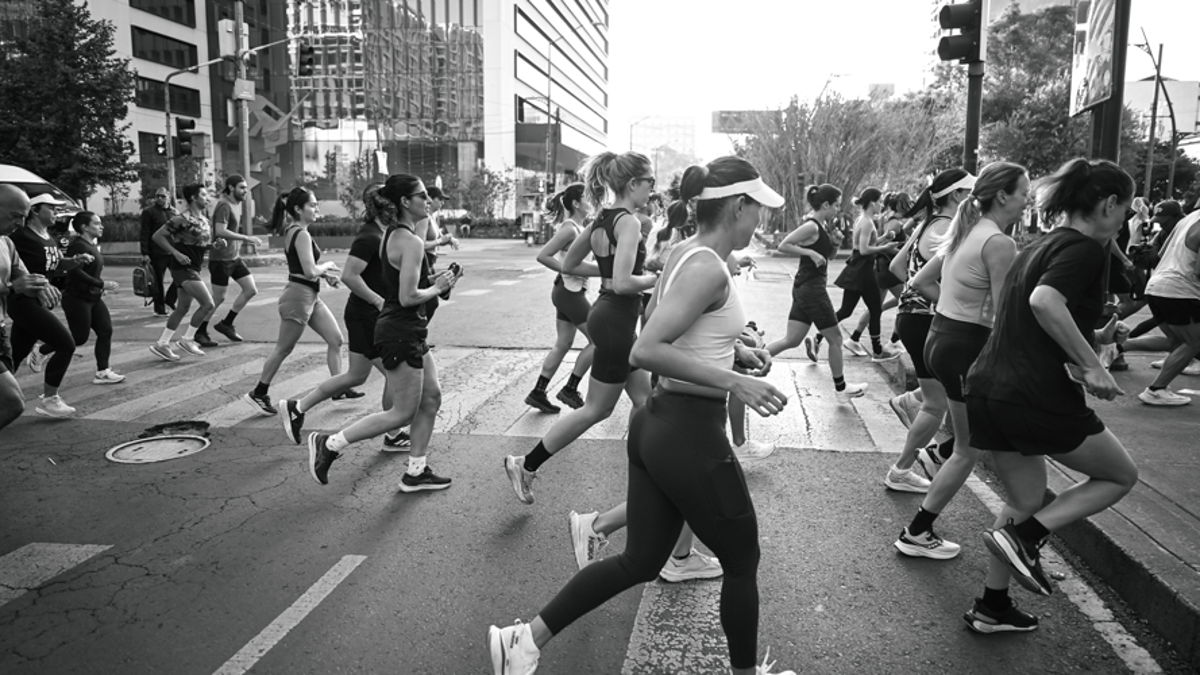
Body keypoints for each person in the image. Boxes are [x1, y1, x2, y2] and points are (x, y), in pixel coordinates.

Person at [488, 156, 795, 675]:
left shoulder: (682, 252)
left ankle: (523, 640)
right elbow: (646, 348)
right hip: (689, 431)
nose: (759, 221)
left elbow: (660, 320)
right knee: (743, 560)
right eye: (757, 210)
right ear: (738, 207)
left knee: (641, 561)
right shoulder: (705, 266)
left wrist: (731, 350)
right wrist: (734, 379)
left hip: (657, 422)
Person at [963, 158, 1138, 633]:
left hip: (989, 388)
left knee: (1024, 499)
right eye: (1125, 208)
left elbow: (1034, 313)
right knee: (1120, 475)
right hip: (1033, 393)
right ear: (1108, 204)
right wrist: (1092, 365)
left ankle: (991, 606)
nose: (1126, 219)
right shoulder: (1086, 249)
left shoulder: (1038, 245)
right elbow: (1044, 302)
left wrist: (1096, 337)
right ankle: (1029, 539)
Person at [502, 152, 659, 504]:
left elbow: (571, 263)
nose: (652, 188)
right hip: (616, 317)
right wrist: (653, 278)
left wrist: (613, 274)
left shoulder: (603, 218)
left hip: (611, 315)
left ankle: (644, 466)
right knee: (597, 409)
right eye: (650, 182)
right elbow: (621, 282)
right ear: (633, 183)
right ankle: (525, 464)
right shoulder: (629, 223)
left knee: (643, 399)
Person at [894, 161, 1025, 560]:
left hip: (942, 339)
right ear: (1003, 196)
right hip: (966, 346)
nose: (1026, 201)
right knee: (968, 449)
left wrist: (954, 310)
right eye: (1023, 193)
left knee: (967, 440)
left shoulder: (964, 230)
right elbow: (1005, 317)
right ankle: (917, 531)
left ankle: (937, 456)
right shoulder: (998, 242)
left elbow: (918, 281)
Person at [305, 174, 459, 492]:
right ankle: (329, 443)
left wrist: (436, 281)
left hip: (405, 328)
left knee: (431, 398)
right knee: (401, 413)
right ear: (405, 201)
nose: (428, 200)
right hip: (400, 331)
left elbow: (406, 283)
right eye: (422, 196)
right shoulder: (411, 242)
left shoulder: (393, 234)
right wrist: (437, 287)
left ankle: (416, 471)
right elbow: (408, 297)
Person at [278, 184, 409, 447]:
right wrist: (378, 301)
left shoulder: (384, 234)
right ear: (385, 207)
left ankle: (297, 407)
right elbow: (350, 275)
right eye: (396, 204)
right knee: (397, 375)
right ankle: (391, 434)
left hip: (363, 314)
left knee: (356, 376)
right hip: (367, 315)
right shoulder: (370, 236)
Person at [884, 169, 974, 491]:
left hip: (911, 317)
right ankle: (901, 471)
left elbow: (897, 267)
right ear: (957, 196)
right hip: (924, 319)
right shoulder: (946, 228)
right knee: (937, 404)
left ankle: (910, 401)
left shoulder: (928, 224)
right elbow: (925, 279)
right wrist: (946, 301)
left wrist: (911, 296)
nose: (974, 199)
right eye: (970, 192)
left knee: (939, 394)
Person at [243, 187, 343, 416]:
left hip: (310, 295)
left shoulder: (296, 230)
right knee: (283, 348)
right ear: (298, 209)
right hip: (299, 297)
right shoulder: (301, 233)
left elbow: (303, 268)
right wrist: (326, 266)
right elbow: (309, 270)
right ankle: (258, 392)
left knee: (336, 339)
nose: (316, 208)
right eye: (312, 205)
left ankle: (338, 387)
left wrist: (325, 276)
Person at [763, 184, 866, 402]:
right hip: (812, 290)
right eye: (836, 205)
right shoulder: (812, 226)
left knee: (791, 340)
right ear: (826, 204)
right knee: (836, 339)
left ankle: (751, 360)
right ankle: (841, 390)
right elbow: (784, 244)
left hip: (805, 288)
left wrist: (836, 244)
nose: (838, 209)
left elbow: (826, 257)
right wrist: (809, 252)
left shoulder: (823, 226)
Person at [8, 193, 81, 416]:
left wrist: (74, 262)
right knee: (66, 344)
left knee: (16, 354)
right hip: (23, 301)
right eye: (51, 208)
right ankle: (50, 399)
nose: (56, 213)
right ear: (36, 210)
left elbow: (54, 264)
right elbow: (16, 267)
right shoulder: (19, 235)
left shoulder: (48, 236)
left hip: (42, 300)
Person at [526, 182, 595, 413]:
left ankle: (538, 392)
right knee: (599, 341)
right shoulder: (570, 229)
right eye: (587, 198)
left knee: (563, 343)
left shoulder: (578, 227)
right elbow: (543, 255)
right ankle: (570, 388)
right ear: (576, 203)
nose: (591, 201)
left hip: (566, 292)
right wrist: (567, 268)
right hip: (569, 292)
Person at [1130, 207, 1200, 406]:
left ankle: (1116, 346)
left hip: (1158, 285)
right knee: (1194, 342)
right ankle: (1156, 389)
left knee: (1175, 341)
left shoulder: (1188, 219)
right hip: (1180, 289)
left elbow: (1159, 253)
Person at [829, 188, 900, 361]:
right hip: (863, 270)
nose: (881, 205)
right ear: (873, 202)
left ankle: (817, 337)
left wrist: (884, 238)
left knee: (846, 310)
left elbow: (867, 244)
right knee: (875, 310)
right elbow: (864, 249)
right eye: (880, 202)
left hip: (858, 268)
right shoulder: (867, 222)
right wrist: (885, 247)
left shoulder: (863, 219)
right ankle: (877, 351)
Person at [150, 183, 217, 362]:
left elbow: (200, 245)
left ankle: (162, 343)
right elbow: (157, 236)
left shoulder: (204, 220)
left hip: (194, 267)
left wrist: (214, 246)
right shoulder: (181, 219)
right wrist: (176, 253)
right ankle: (187, 339)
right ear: (194, 198)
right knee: (208, 304)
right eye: (203, 195)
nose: (207, 198)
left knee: (182, 308)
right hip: (182, 268)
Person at [197, 175, 262, 346]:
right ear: (231, 188)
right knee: (217, 299)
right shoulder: (224, 205)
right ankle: (199, 331)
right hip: (220, 260)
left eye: (246, 188)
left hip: (234, 258)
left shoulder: (236, 204)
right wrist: (247, 238)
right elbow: (220, 230)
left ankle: (226, 324)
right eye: (241, 187)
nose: (245, 191)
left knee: (250, 289)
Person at [0, 184, 45, 429]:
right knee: (12, 402)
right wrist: (14, 287)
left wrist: (42, 285)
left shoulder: (6, 243)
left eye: (23, 217)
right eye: (15, 216)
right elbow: (14, 284)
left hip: (1, 331)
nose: (19, 223)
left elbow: (24, 276)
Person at [62, 211, 124, 384]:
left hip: (93, 298)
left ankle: (102, 371)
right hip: (77, 298)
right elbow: (75, 272)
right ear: (84, 227)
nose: (101, 226)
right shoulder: (78, 246)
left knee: (105, 330)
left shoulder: (91, 245)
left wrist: (98, 288)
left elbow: (91, 271)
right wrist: (101, 284)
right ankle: (42, 350)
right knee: (79, 337)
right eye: (96, 223)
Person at [140, 187, 176, 316]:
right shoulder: (149, 212)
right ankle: (160, 308)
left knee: (181, 277)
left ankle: (170, 299)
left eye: (163, 196)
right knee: (158, 283)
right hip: (156, 252)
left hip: (172, 251)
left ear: (169, 197)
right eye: (157, 196)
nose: (160, 198)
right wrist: (145, 253)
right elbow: (144, 233)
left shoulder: (174, 212)